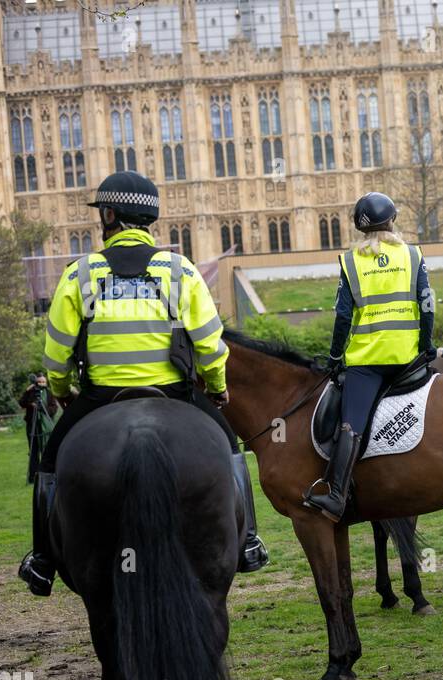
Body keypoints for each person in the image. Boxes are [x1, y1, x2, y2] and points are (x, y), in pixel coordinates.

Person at [18, 171, 268, 597]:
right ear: (149, 219)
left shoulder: (80, 274)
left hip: (99, 398)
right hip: (174, 392)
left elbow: (56, 355)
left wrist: (61, 391)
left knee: (50, 465)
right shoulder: (179, 270)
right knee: (229, 450)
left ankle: (42, 558)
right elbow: (210, 344)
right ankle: (247, 541)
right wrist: (217, 385)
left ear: (110, 215)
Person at [305, 191, 433, 522]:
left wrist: (335, 356)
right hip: (407, 358)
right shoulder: (413, 255)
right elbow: (428, 304)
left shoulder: (351, 261)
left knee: (351, 425)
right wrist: (426, 344)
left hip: (368, 362)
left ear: (361, 229)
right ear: (392, 220)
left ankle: (336, 495)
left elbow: (343, 316)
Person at [19, 373, 59, 483]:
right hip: (32, 425)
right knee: (33, 451)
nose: (41, 384)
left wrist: (43, 408)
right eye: (39, 382)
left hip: (45, 427)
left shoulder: (49, 393)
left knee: (46, 450)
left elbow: (54, 408)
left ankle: (47, 474)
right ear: (36, 382)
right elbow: (22, 403)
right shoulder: (31, 392)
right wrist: (27, 392)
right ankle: (33, 476)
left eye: (43, 382)